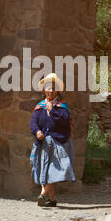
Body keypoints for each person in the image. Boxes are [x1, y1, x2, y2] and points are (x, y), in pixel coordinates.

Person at [29, 73, 76, 207]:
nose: (50, 91)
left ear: (57, 91)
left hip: (58, 144)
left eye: (53, 88)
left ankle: (43, 194)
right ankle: (52, 199)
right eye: (47, 88)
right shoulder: (39, 107)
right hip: (44, 144)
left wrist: (53, 111)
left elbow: (65, 122)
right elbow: (34, 122)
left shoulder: (62, 108)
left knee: (52, 170)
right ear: (44, 90)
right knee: (45, 168)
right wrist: (37, 131)